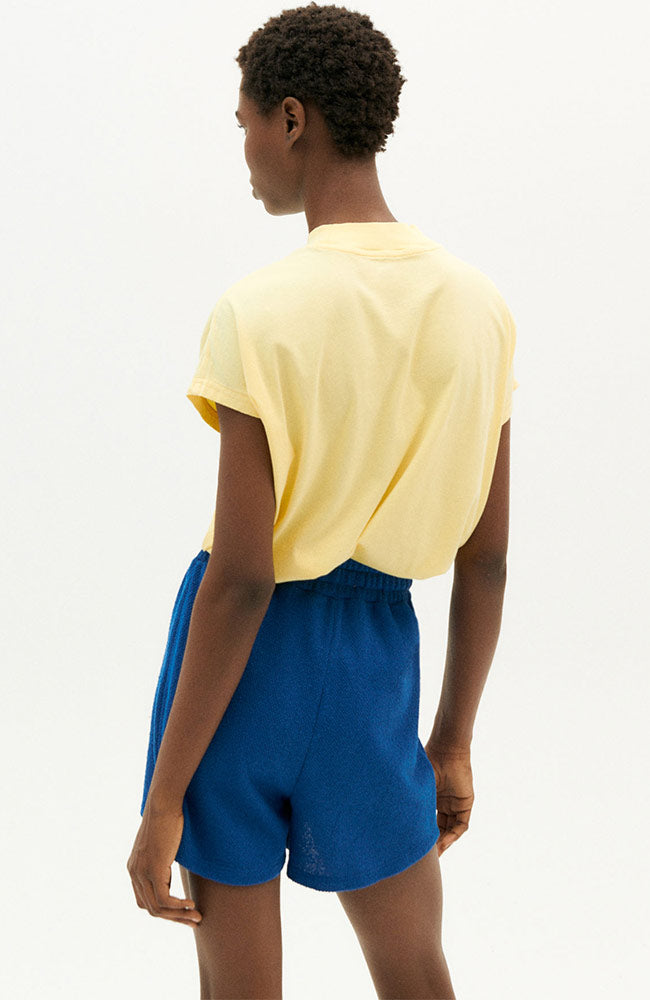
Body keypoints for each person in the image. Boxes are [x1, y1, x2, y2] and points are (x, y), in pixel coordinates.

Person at [127, 4, 519, 998]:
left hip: (241, 673)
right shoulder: (480, 309)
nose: (246, 150)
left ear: (292, 118)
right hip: (377, 666)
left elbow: (242, 578)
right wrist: (452, 738)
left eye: (246, 122)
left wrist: (163, 799)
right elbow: (485, 560)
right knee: (415, 972)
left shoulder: (257, 311)